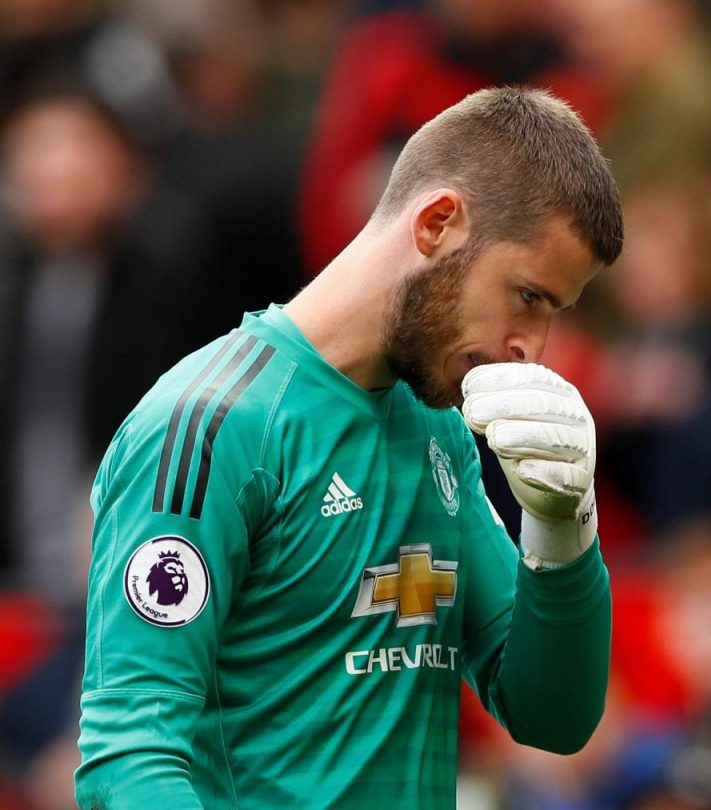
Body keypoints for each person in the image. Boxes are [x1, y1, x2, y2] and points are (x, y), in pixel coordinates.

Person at [74, 87, 623, 809]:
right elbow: (128, 760)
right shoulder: (211, 426)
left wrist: (562, 528)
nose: (533, 347)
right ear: (437, 223)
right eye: (528, 296)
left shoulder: (439, 429)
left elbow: (553, 717)